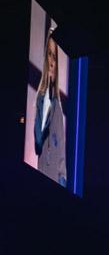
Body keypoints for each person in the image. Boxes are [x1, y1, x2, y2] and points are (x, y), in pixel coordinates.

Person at [32, 31, 68, 187]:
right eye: (49, 55)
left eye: (55, 57)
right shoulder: (41, 100)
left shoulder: (58, 108)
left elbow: (61, 154)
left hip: (55, 179)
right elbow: (38, 142)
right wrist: (45, 98)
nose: (52, 62)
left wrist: (62, 181)